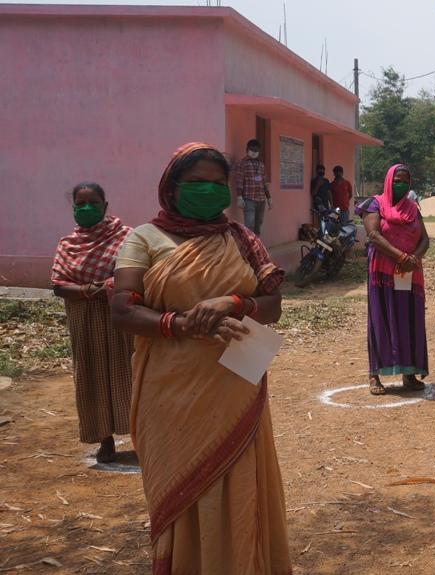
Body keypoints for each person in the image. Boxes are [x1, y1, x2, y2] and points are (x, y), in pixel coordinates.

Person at [111, 143, 291, 572]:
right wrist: (177, 323)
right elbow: (122, 308)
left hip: (235, 384)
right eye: (197, 183)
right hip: (170, 391)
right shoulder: (144, 239)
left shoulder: (241, 238)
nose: (209, 191)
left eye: (216, 184)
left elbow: (273, 303)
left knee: (238, 483)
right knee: (181, 484)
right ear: (171, 190)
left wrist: (234, 303)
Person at [51, 182, 133, 464]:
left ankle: (141, 435)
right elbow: (59, 285)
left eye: (93, 202)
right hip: (84, 322)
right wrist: (91, 290)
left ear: (105, 206)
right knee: (91, 376)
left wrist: (105, 287)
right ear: (73, 208)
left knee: (128, 373)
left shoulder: (126, 238)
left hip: (120, 317)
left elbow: (135, 274)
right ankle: (105, 439)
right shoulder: (67, 244)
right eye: (80, 204)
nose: (86, 208)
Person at [356, 164, 430, 395]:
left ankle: (409, 374)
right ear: (388, 181)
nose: (401, 184)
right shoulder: (375, 204)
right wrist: (400, 256)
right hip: (383, 274)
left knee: (409, 319)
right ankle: (375, 375)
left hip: (409, 273)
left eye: (405, 181)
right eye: (397, 180)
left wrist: (413, 258)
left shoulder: (413, 209)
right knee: (382, 319)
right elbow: (374, 235)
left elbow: (425, 239)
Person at [231, 139, 271, 236]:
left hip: (261, 199)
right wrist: (239, 197)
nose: (254, 152)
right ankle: (249, 248)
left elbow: (264, 183)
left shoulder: (261, 165)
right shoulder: (242, 163)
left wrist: (269, 198)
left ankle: (256, 248)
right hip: (249, 199)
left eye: (256, 151)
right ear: (247, 149)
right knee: (249, 225)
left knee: (258, 225)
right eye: (252, 150)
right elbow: (239, 181)